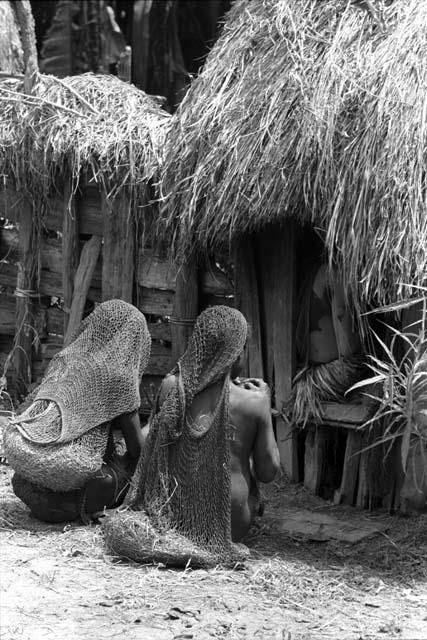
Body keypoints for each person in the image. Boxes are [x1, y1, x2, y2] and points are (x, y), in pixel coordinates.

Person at [125, 305, 280, 556]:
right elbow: (268, 471)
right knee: (247, 473)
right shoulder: (253, 402)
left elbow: (146, 444)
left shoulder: (171, 387)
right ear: (237, 354)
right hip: (229, 526)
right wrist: (266, 400)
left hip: (172, 520)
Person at [5, 299, 151, 523]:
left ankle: (49, 500)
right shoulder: (119, 378)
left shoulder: (64, 360)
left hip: (30, 483)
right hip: (79, 487)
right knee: (130, 466)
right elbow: (137, 450)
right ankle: (79, 507)